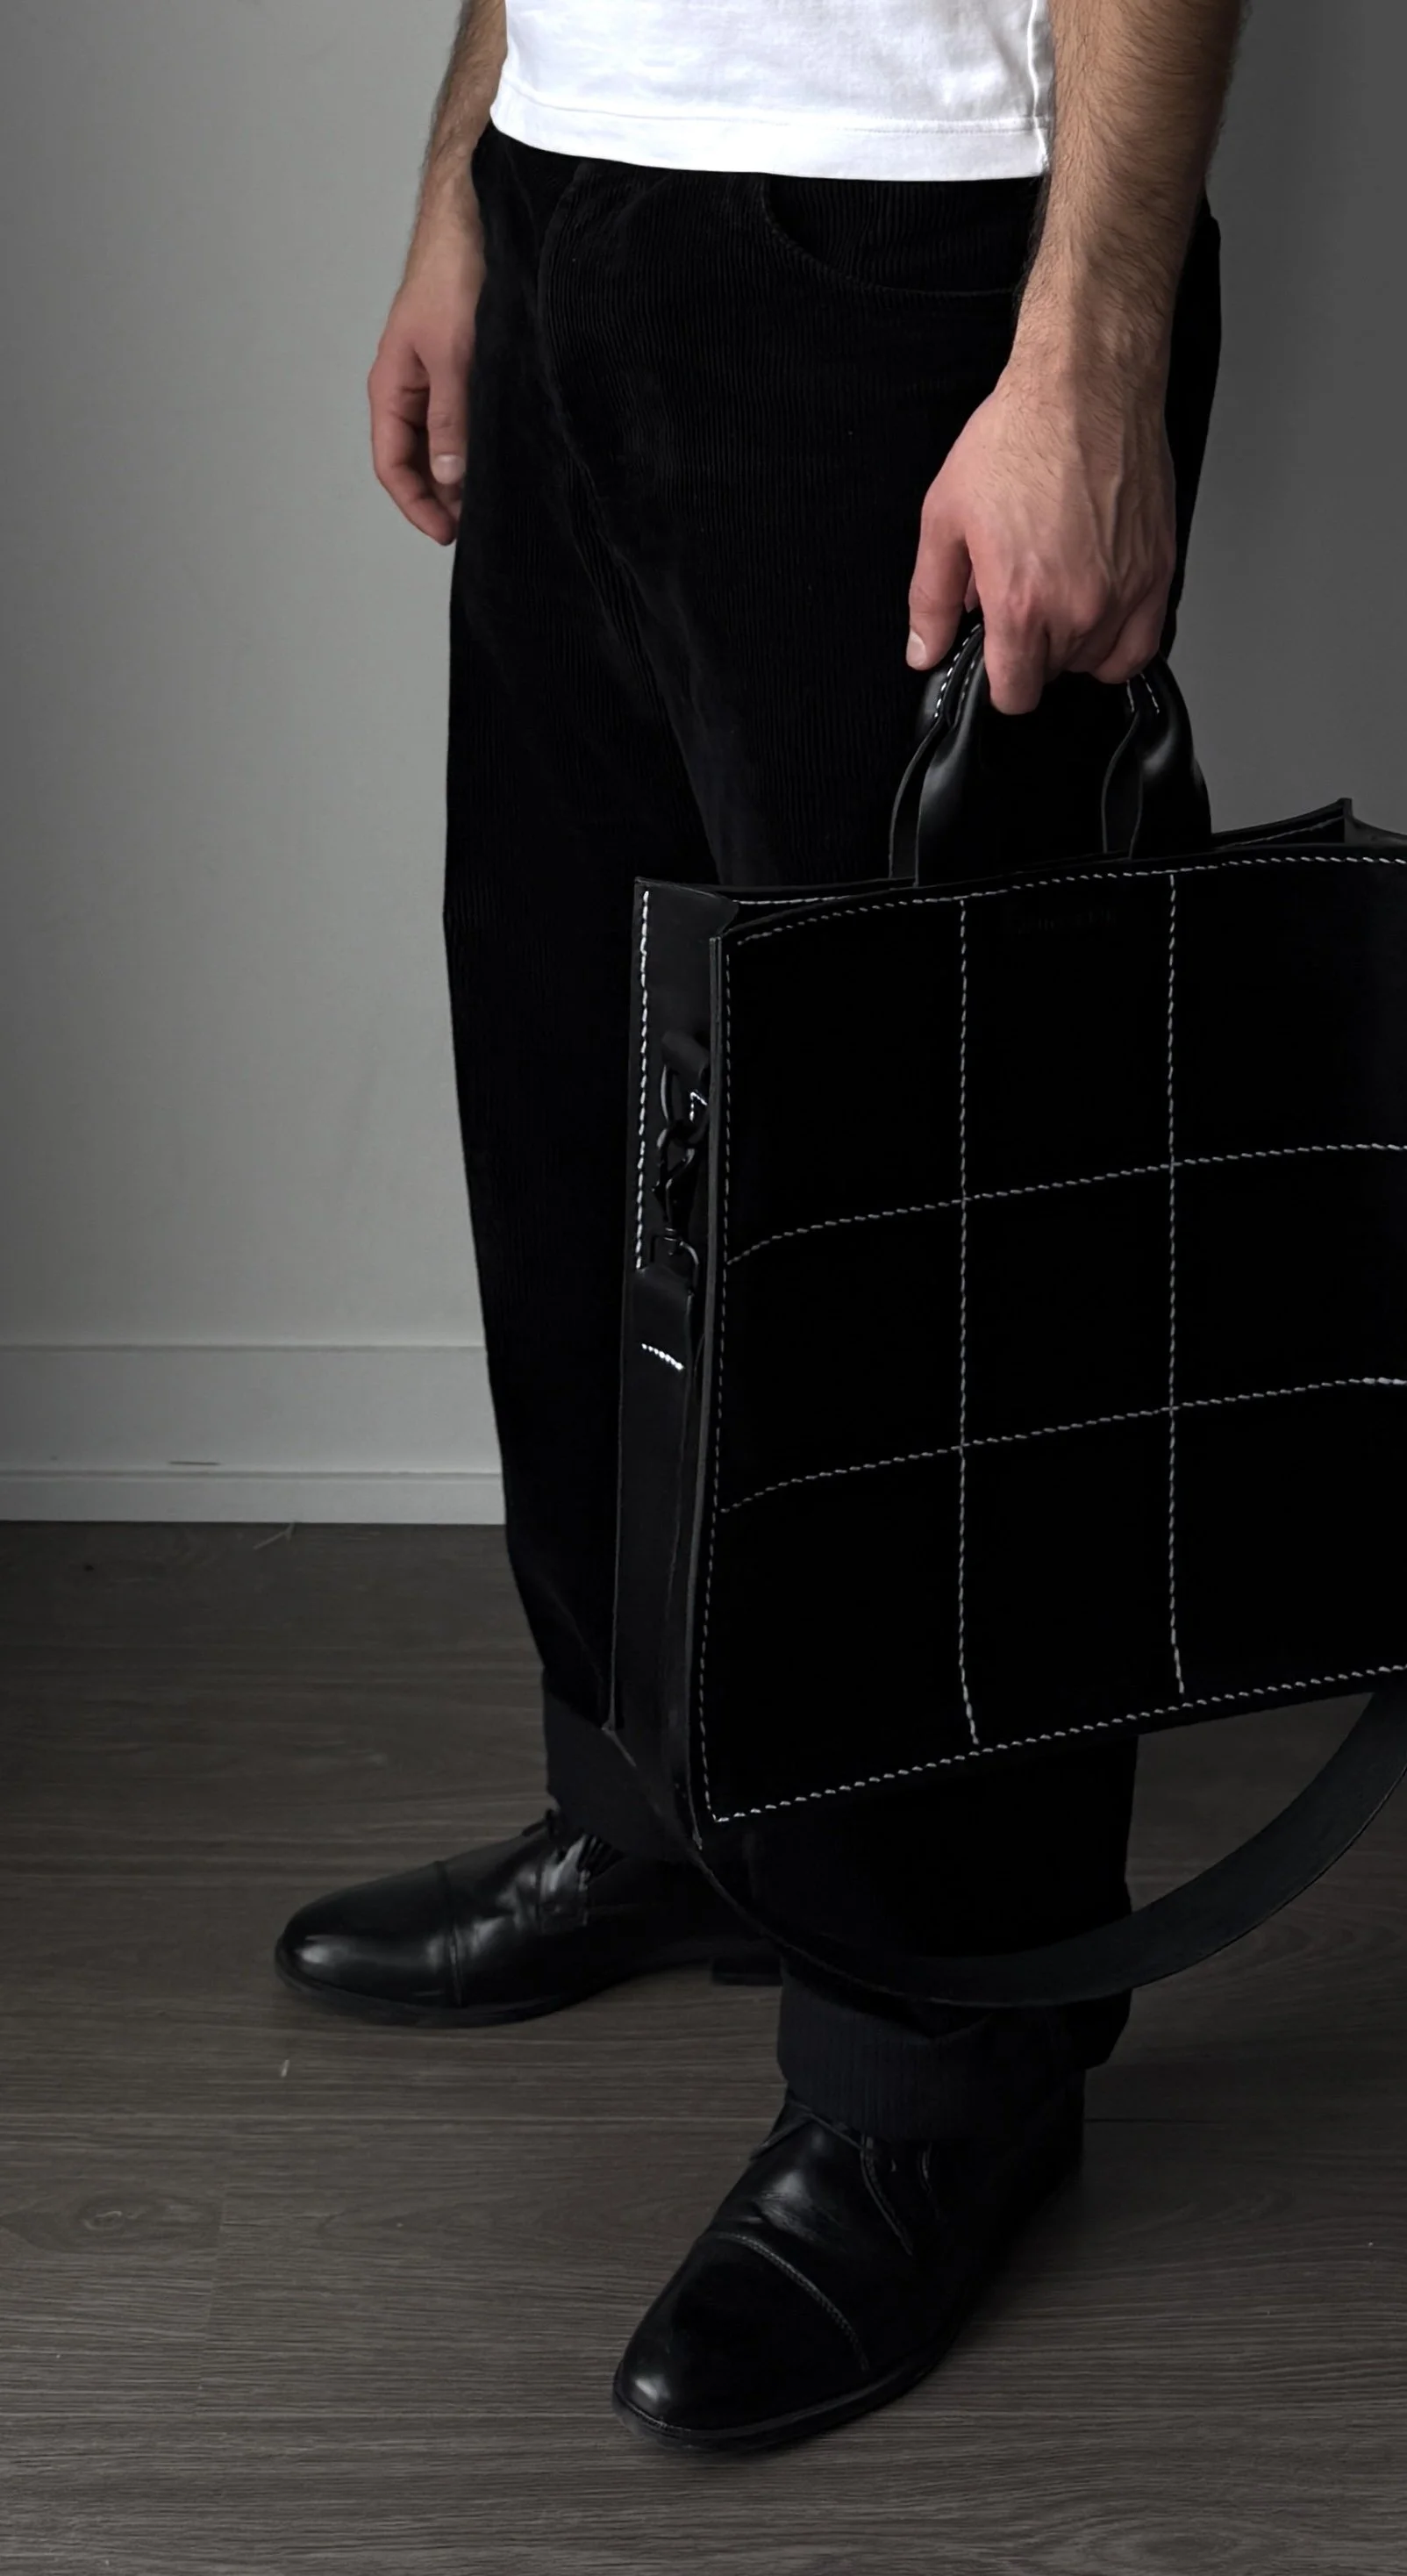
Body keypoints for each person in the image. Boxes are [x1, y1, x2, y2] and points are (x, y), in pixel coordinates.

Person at [275, 0, 1239, 2451]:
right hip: (582, 206)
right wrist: (468, 183)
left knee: (931, 1218)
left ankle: (943, 2060)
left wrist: (1091, 344)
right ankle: (666, 1815)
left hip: (918, 248)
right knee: (587, 1095)